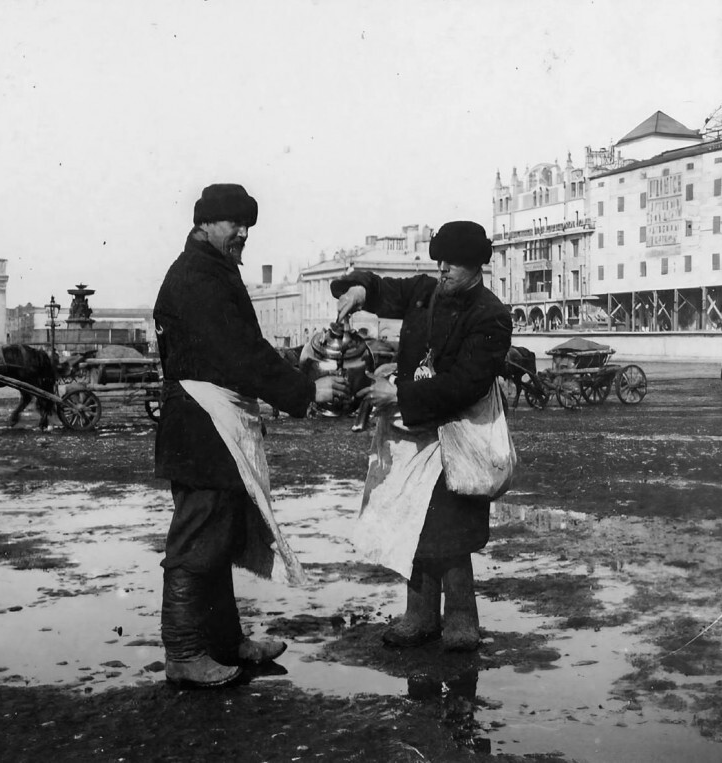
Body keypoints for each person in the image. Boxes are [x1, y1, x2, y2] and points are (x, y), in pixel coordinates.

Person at [153, 183, 347, 688]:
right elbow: (239, 354)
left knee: (218, 538)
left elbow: (245, 349)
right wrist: (305, 390)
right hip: (201, 423)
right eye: (233, 223)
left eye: (248, 226)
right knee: (197, 540)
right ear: (203, 224)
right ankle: (185, 653)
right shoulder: (198, 277)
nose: (242, 233)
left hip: (211, 420)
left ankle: (223, 643)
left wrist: (292, 366)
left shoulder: (211, 269)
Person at [332, 220, 512, 651]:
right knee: (414, 521)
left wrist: (398, 394)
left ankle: (462, 620)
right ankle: (419, 616)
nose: (443, 269)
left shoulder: (490, 315)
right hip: (414, 430)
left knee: (453, 528)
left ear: (477, 266)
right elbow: (380, 287)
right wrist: (357, 290)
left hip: (459, 431)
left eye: (453, 263)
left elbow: (465, 384)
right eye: (440, 260)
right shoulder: (423, 292)